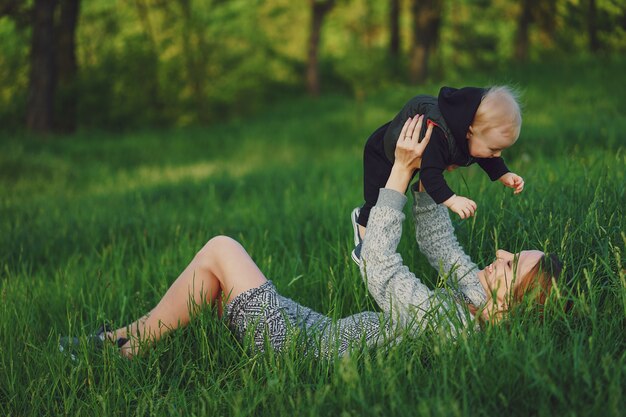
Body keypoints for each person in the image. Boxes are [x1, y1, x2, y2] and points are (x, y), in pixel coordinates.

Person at [59, 116, 562, 361]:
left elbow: (381, 271)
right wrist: (435, 171)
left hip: (297, 352)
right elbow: (436, 241)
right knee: (211, 277)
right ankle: (120, 343)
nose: (500, 253)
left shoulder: (451, 327)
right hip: (314, 331)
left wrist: (400, 175)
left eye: (512, 262)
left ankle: (122, 348)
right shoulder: (471, 299)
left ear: (508, 309)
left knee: (221, 249)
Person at [351, 86, 525, 266]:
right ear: (469, 131)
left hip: (417, 155)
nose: (497, 155)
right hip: (381, 155)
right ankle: (363, 236)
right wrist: (452, 200)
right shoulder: (439, 135)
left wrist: (504, 173)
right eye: (494, 149)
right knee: (377, 201)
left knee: (393, 196)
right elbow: (429, 175)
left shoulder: (472, 135)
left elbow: (486, 157)